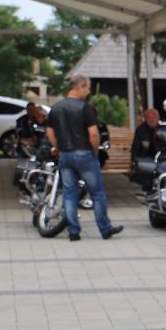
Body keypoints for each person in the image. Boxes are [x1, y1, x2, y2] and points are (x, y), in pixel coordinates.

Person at [45, 73, 122, 242]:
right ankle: (105, 228)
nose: (88, 92)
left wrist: (59, 147)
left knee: (69, 193)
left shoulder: (56, 108)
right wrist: (95, 151)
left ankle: (73, 231)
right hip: (84, 153)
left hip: (65, 155)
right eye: (87, 88)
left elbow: (49, 132)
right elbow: (93, 134)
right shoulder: (85, 108)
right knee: (97, 193)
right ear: (79, 87)